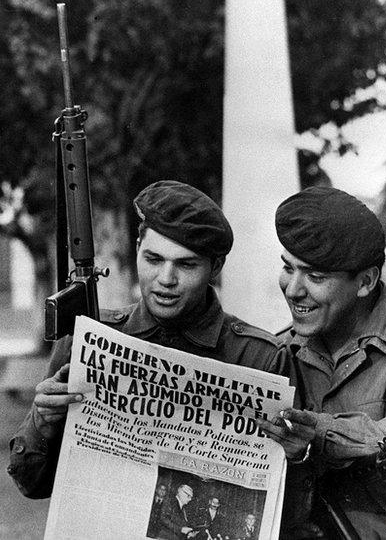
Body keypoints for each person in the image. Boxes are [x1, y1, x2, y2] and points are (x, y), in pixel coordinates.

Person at [8, 180, 285, 499]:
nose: (166, 280)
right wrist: (40, 424)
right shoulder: (88, 338)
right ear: (137, 248)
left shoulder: (258, 357)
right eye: (154, 259)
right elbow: (32, 485)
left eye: (186, 264)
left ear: (216, 267)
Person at [257, 186, 386, 539]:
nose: (293, 289)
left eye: (315, 276)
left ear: (365, 282)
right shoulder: (278, 355)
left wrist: (321, 433)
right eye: (288, 268)